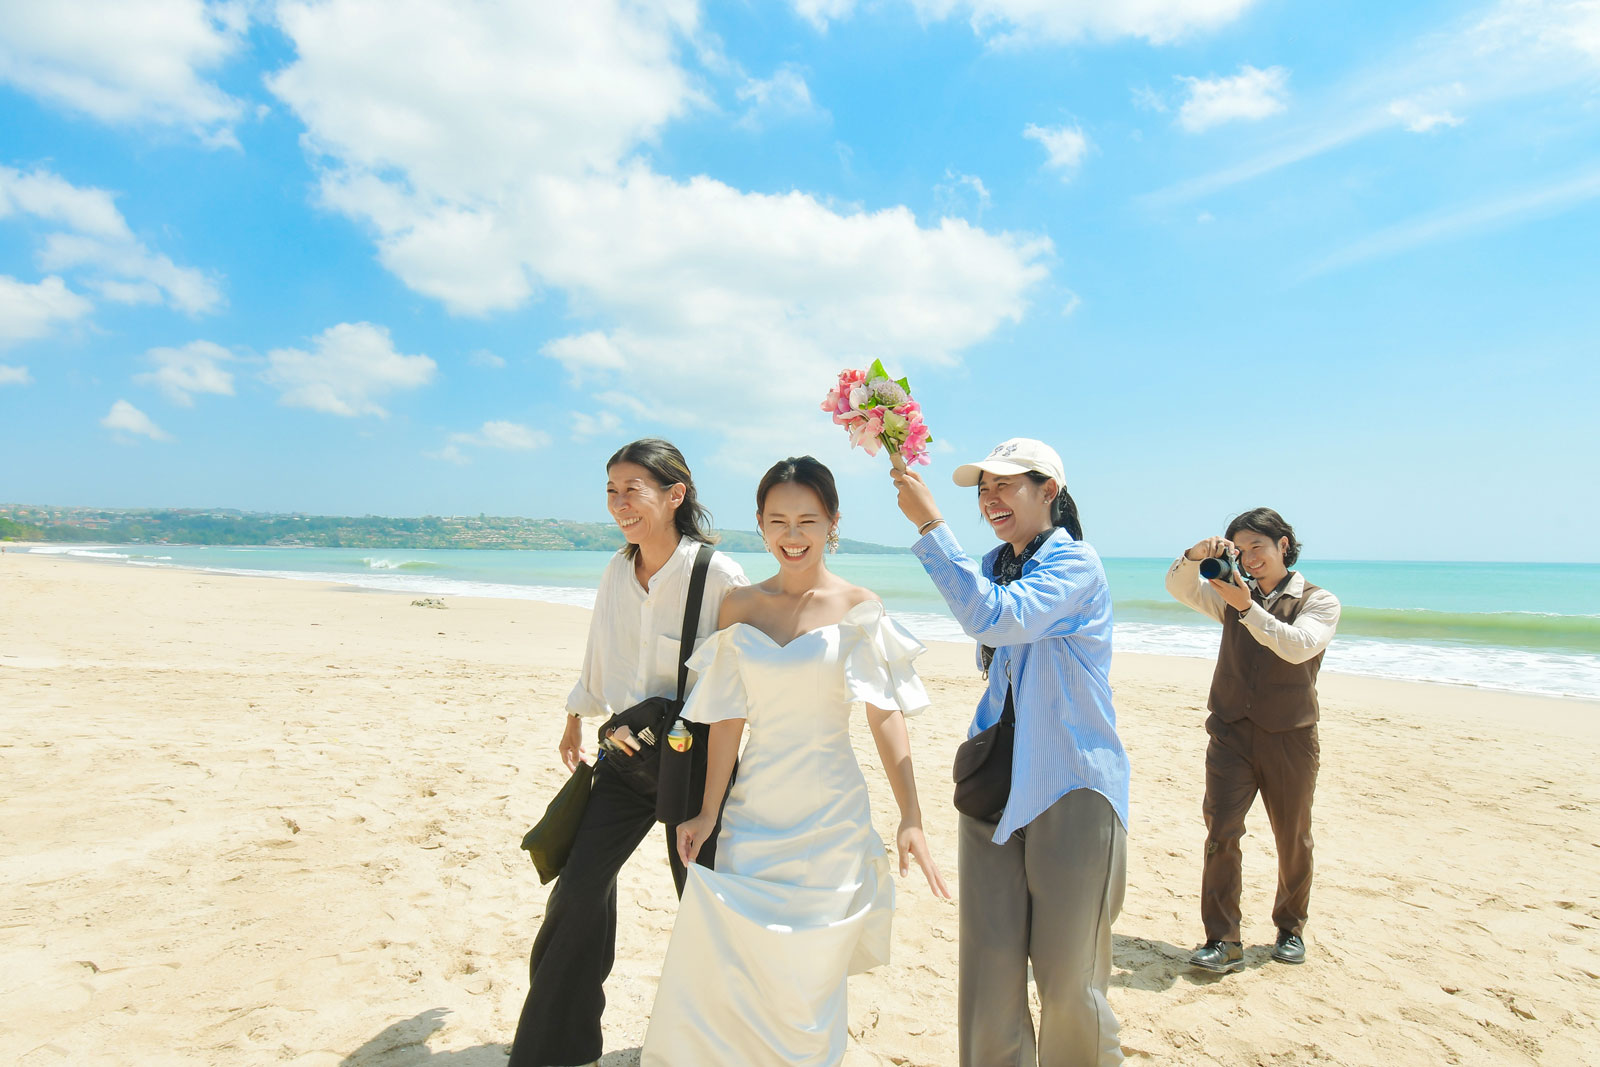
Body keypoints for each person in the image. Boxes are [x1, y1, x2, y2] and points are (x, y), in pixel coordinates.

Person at [641, 456, 949, 1065]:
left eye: (808, 519)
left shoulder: (860, 605)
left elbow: (884, 715)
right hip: (752, 816)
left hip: (831, 820)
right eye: (778, 520)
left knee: (807, 985)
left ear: (833, 523)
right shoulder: (739, 606)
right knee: (743, 973)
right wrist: (707, 812)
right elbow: (728, 717)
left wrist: (911, 813)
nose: (793, 534)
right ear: (759, 525)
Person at [508, 438, 748, 1067]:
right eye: (611, 491)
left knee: (702, 906)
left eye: (632, 490)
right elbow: (600, 647)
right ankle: (557, 1048)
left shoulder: (716, 574)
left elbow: (736, 685)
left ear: (676, 495)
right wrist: (573, 717)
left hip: (692, 767)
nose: (619, 504)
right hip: (622, 754)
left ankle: (717, 1047)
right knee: (578, 892)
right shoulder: (619, 569)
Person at [892, 437, 1130, 1067]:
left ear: (1048, 491)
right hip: (994, 786)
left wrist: (930, 524)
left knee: (1068, 979)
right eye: (982, 488)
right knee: (988, 971)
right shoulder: (996, 563)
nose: (990, 497)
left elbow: (995, 620)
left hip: (1072, 786)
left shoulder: (1075, 565)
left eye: (1005, 484)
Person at [1165, 508, 1341, 974]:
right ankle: (1222, 939)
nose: (1248, 557)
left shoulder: (1319, 601)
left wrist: (1247, 607)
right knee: (1221, 832)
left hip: (1290, 737)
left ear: (1284, 545)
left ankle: (1290, 927)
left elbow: (1296, 645)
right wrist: (1194, 556)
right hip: (1230, 733)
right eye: (1239, 550)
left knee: (1293, 837)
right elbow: (1179, 588)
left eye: (1257, 547)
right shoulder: (1228, 595)